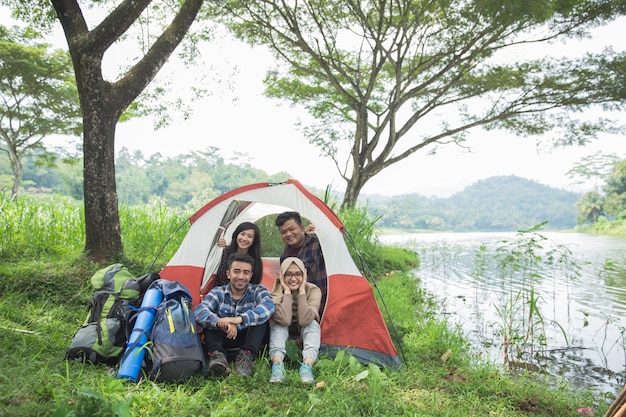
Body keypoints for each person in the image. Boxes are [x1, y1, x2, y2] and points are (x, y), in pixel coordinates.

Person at [194, 253, 275, 377]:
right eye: (236, 271)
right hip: (224, 338)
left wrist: (238, 320)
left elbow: (268, 307)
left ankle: (246, 358)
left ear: (251, 275)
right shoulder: (217, 292)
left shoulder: (258, 290)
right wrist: (220, 322)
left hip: (247, 339)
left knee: (260, 319)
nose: (241, 276)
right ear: (228, 274)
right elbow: (200, 311)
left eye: (246, 272)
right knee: (210, 320)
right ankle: (218, 357)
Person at [269, 257, 321, 384]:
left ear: (304, 275)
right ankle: (277, 366)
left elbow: (305, 320)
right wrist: (286, 292)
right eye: (288, 274)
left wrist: (302, 291)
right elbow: (285, 320)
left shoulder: (313, 290)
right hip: (284, 328)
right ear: (282, 276)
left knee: (313, 325)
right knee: (278, 326)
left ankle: (307, 366)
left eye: (298, 274)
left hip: (303, 326)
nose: (293, 279)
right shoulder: (275, 291)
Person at [275, 211, 327, 310]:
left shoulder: (318, 245)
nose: (288, 234)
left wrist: (322, 230)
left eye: (292, 229)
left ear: (302, 227)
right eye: (283, 232)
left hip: (319, 305)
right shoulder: (284, 255)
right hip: (295, 308)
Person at [215, 221, 263, 287]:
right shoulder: (225, 253)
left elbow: (255, 283)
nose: (244, 239)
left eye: (249, 236)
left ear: (254, 241)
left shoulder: (256, 260)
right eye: (242, 234)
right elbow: (220, 279)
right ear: (236, 235)